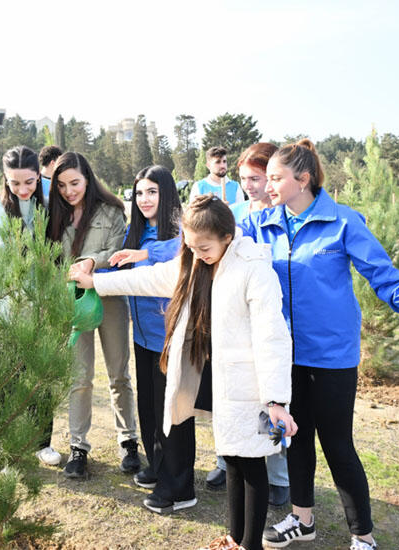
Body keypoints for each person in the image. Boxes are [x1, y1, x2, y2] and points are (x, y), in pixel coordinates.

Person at [71, 195, 296, 548]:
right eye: (189, 247)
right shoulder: (194, 263)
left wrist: (276, 399)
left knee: (251, 465)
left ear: (227, 236)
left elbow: (272, 337)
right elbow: (148, 279)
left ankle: (249, 544)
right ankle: (234, 538)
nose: (196, 253)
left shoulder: (253, 269)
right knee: (233, 460)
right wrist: (96, 282)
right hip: (218, 378)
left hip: (250, 383)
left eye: (203, 247)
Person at [236, 139, 399, 550]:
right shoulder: (260, 224)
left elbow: (384, 275)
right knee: (295, 439)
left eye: (275, 177)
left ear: (302, 179)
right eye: (265, 178)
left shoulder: (343, 222)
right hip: (284, 355)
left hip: (332, 356)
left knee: (338, 445)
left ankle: (363, 536)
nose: (266, 186)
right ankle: (302, 520)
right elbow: (216, 250)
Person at [207, 142, 292, 508]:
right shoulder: (235, 214)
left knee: (269, 402)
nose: (251, 186)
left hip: (270, 320)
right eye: (244, 179)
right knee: (233, 400)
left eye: (256, 178)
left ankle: (278, 477)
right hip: (233, 325)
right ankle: (227, 462)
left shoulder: (284, 216)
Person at [47, 151, 140, 479]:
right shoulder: (54, 215)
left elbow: (117, 251)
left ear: (87, 178)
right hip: (74, 302)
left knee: (119, 373)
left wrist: (90, 262)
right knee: (79, 377)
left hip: (110, 296)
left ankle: (129, 441)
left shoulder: (113, 210)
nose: (69, 191)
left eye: (74, 183)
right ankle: (78, 446)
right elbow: (50, 258)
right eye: (61, 186)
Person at [104, 165, 185, 497]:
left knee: (171, 409)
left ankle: (176, 474)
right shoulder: (133, 232)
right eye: (139, 193)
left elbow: (184, 251)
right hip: (141, 336)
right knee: (149, 406)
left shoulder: (178, 231)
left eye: (152, 192)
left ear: (166, 194)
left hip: (170, 337)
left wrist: (146, 253)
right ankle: (155, 464)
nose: (145, 199)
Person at [0, 145, 56, 465]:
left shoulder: (52, 204)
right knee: (2, 380)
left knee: (41, 375)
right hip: (3, 310)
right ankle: (1, 444)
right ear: (5, 179)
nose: (23, 190)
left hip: (42, 307)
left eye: (29, 182)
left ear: (39, 176)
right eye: (15, 183)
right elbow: (0, 262)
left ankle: (42, 442)